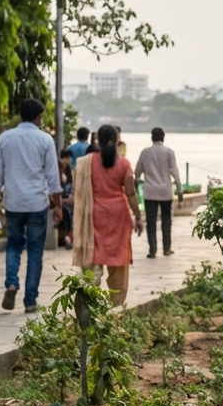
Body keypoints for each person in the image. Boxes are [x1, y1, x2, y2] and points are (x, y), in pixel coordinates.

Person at [0, 99, 64, 313]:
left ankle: (12, 282)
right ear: (38, 117)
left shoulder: (5, 138)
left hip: (13, 202)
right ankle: (30, 300)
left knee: (13, 244)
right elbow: (53, 176)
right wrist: (57, 205)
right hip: (36, 203)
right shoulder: (45, 139)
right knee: (34, 251)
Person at [72, 125, 142, 305]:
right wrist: (138, 216)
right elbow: (131, 193)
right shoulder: (124, 163)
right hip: (118, 216)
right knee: (119, 259)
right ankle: (116, 303)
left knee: (93, 254)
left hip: (94, 215)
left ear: (97, 140)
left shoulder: (86, 162)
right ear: (117, 139)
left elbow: (76, 190)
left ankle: (90, 296)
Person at [135, 127, 182, 258]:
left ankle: (152, 250)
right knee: (166, 220)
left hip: (150, 192)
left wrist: (137, 180)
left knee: (151, 222)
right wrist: (179, 189)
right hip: (166, 192)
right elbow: (174, 171)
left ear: (152, 137)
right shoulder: (169, 152)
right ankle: (167, 248)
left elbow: (137, 171)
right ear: (163, 137)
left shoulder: (145, 153)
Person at [58, 149, 75, 249]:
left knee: (67, 210)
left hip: (68, 203)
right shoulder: (57, 176)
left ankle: (68, 236)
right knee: (64, 210)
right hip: (61, 203)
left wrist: (62, 200)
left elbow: (73, 198)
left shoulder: (72, 177)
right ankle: (67, 237)